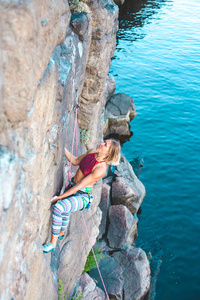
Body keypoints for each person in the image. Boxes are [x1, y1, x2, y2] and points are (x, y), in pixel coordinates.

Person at [43, 139, 121, 253]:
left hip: (83, 196)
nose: (101, 143)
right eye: (104, 141)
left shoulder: (100, 169)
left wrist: (59, 198)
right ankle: (61, 233)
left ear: (109, 153)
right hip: (73, 186)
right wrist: (61, 144)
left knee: (59, 207)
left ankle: (52, 244)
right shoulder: (92, 152)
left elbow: (80, 185)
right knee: (65, 211)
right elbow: (75, 161)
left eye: (105, 145)